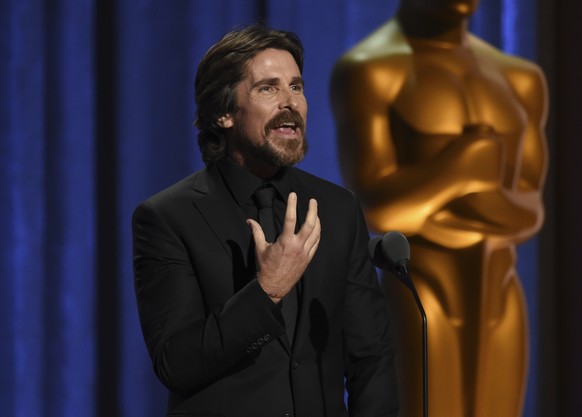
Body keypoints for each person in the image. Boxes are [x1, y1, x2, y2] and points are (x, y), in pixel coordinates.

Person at [132, 24, 398, 417]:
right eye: (268, 88)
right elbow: (176, 363)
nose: (290, 102)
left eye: (297, 86)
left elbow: (370, 358)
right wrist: (267, 290)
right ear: (223, 112)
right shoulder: (168, 217)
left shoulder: (338, 209)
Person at [330, 1, 548, 416]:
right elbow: (379, 211)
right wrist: (461, 168)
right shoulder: (373, 71)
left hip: (501, 292)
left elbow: (530, 210)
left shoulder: (521, 79)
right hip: (421, 288)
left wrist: (438, 198)